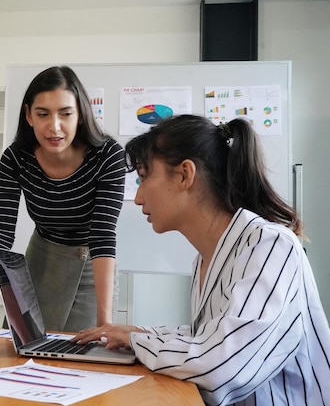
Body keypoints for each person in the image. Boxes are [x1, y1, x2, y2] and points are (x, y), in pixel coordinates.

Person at [73, 115, 330, 406]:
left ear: (185, 175)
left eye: (144, 177)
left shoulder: (270, 245)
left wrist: (137, 340)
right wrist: (138, 332)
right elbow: (208, 338)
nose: (140, 197)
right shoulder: (206, 259)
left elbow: (222, 365)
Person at [0, 66, 127, 332]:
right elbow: (1, 235)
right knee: (24, 344)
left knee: (81, 355)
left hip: (92, 267)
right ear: (29, 115)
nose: (55, 127)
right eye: (43, 114)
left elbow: (102, 235)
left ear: (80, 115)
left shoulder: (108, 156)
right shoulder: (16, 159)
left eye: (66, 114)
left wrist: (105, 321)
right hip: (40, 262)